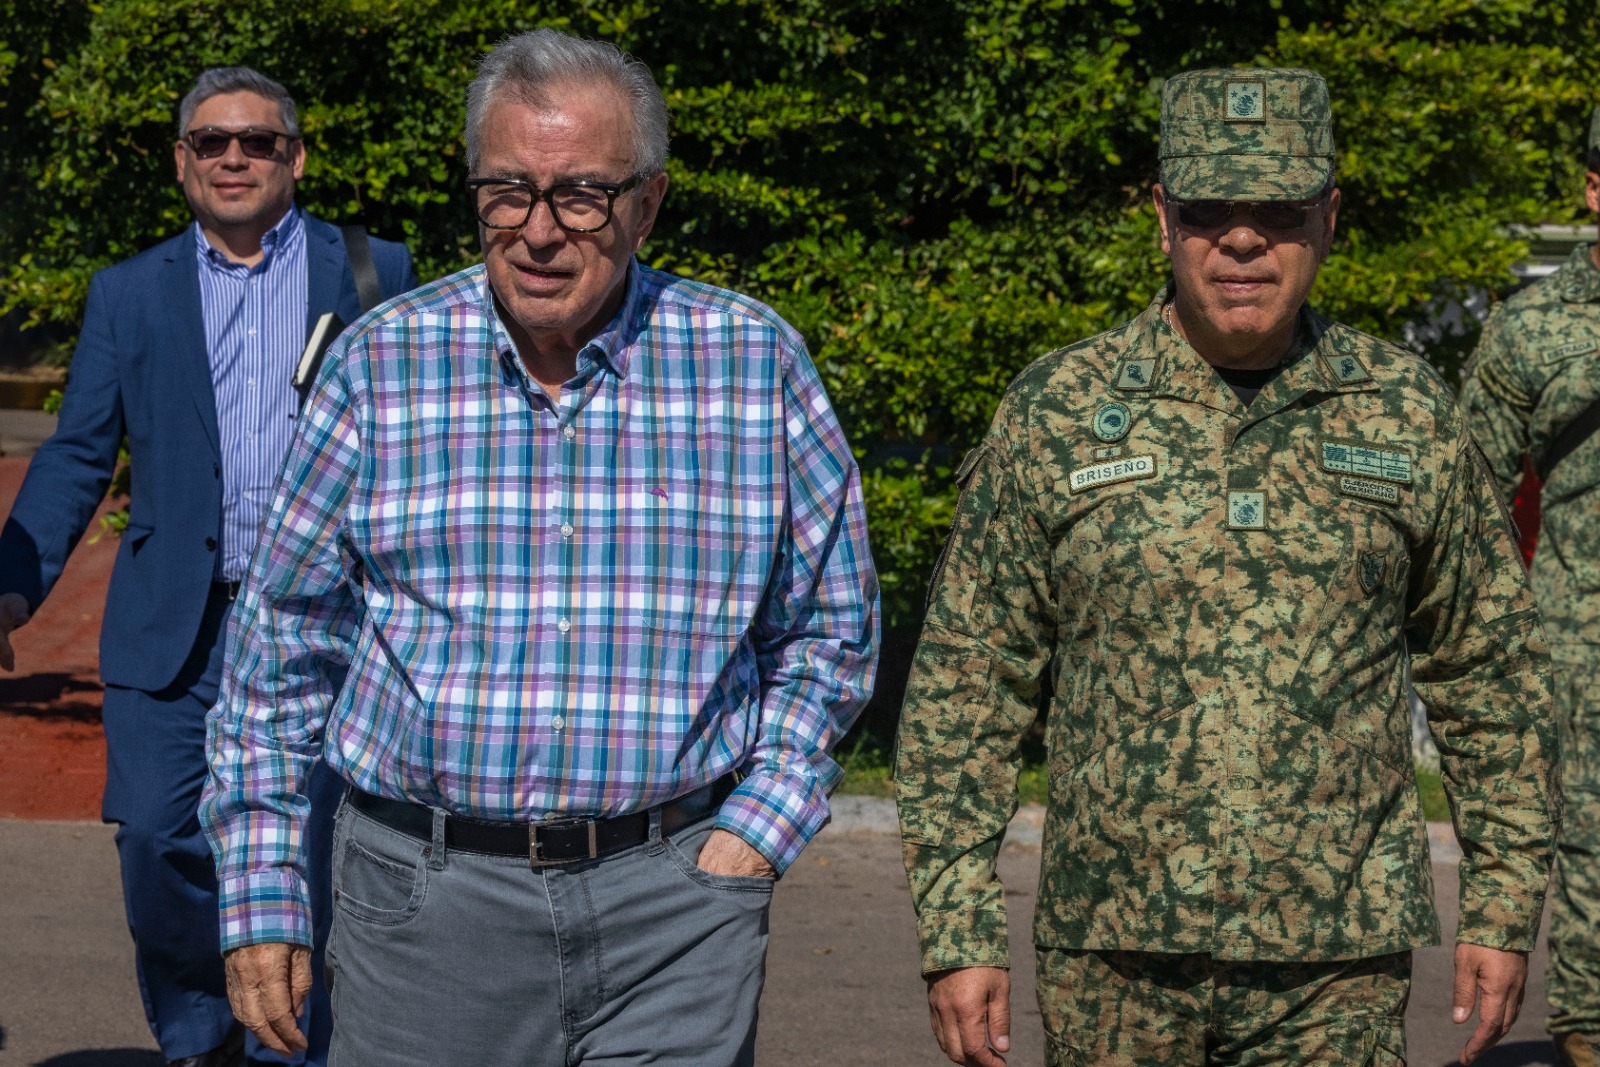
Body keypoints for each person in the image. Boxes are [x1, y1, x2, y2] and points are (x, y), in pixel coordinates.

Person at [199, 28, 878, 1065]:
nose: (539, 231)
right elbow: (277, 651)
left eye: (582, 195)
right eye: (507, 191)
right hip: (423, 915)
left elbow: (830, 629)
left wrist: (757, 829)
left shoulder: (752, 363)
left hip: (677, 909)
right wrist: (261, 892)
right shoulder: (380, 366)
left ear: (648, 203)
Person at [896, 67, 1556, 1067]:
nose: (1242, 239)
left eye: (1278, 210)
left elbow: (1488, 671)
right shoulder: (1057, 409)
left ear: (1328, 217)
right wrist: (957, 928)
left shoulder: (1406, 412)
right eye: (1210, 209)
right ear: (1164, 217)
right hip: (1113, 960)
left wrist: (1502, 906)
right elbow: (968, 682)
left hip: (1336, 967)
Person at [0, 67, 415, 1067]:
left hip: (327, 623)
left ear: (294, 158)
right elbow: (77, 454)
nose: (235, 157)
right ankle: (204, 1034)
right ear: (182, 163)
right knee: (158, 841)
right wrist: (12, 587)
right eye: (212, 142)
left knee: (310, 853)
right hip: (174, 628)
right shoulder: (129, 292)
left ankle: (287, 1051)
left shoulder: (374, 273)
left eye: (257, 141)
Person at [1461, 104, 1600, 1067]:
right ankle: (1590, 1023)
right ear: (1593, 187)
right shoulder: (1533, 327)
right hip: (1581, 637)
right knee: (1591, 834)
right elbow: (1468, 499)